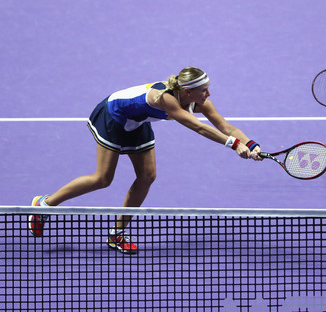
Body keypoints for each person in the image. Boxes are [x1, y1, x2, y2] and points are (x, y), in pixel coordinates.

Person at [28, 66, 262, 254]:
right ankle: (45, 205)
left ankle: (117, 233)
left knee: (147, 176)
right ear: (187, 92)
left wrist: (251, 144)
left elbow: (225, 126)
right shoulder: (165, 99)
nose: (209, 94)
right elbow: (198, 128)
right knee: (103, 179)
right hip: (114, 117)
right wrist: (233, 145)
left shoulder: (200, 101)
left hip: (137, 123)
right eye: (204, 90)